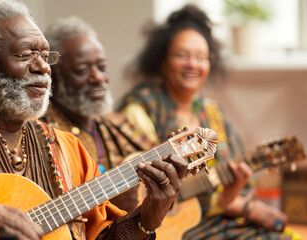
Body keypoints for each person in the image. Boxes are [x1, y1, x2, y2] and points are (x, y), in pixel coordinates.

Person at [0, 1, 188, 240]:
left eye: (46, 57)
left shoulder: (69, 150)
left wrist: (149, 215)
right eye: (26, 55)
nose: (43, 68)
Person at [119, 4, 291, 240]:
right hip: (166, 229)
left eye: (201, 57)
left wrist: (230, 198)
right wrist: (245, 208)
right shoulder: (141, 109)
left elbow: (223, 189)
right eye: (182, 55)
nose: (193, 64)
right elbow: (131, 191)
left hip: (214, 220)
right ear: (162, 60)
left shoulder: (212, 113)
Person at [42, 16, 157, 212]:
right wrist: (108, 203)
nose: (98, 77)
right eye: (82, 70)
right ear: (54, 74)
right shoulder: (41, 133)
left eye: (102, 67)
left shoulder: (119, 124)